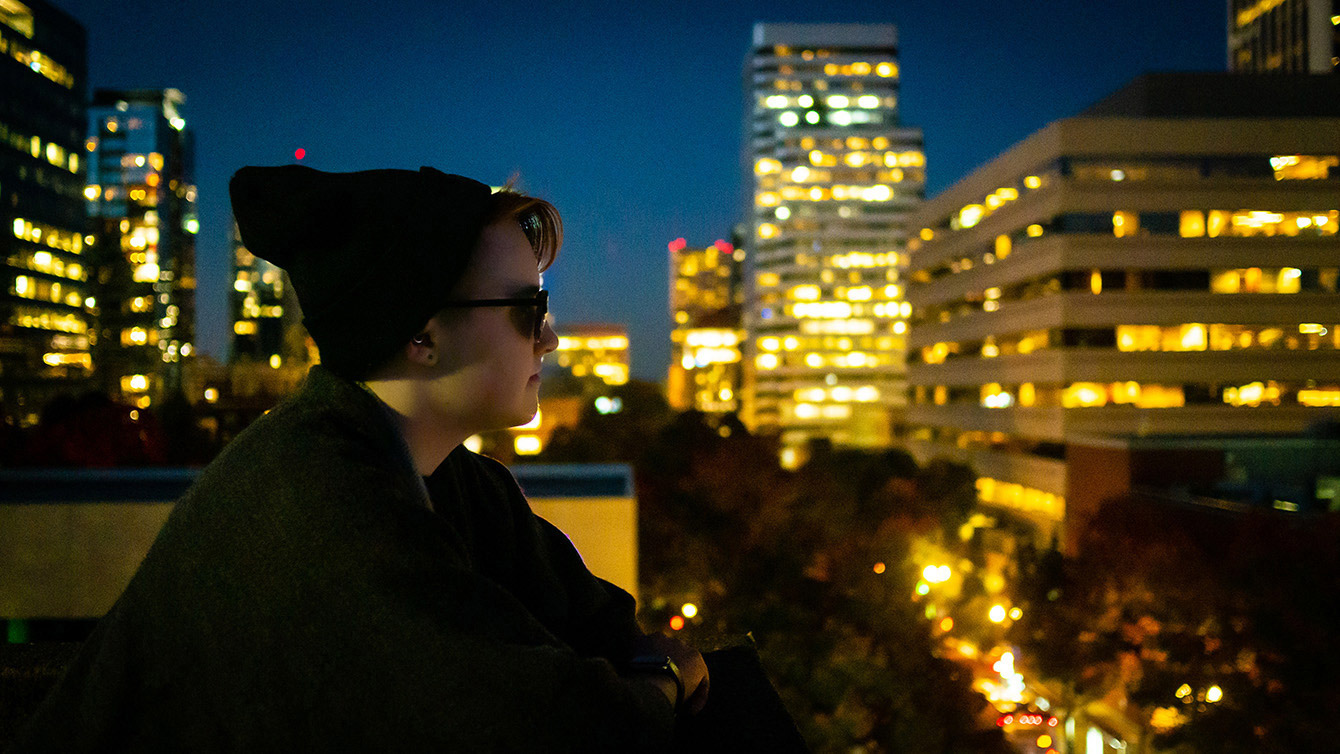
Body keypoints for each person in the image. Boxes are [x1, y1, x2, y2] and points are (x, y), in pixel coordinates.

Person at [10, 165, 804, 752]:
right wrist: (666, 682)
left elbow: (597, 627)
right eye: (529, 309)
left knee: (730, 697)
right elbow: (543, 728)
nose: (552, 339)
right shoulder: (314, 500)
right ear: (419, 334)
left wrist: (662, 671)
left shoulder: (449, 477)